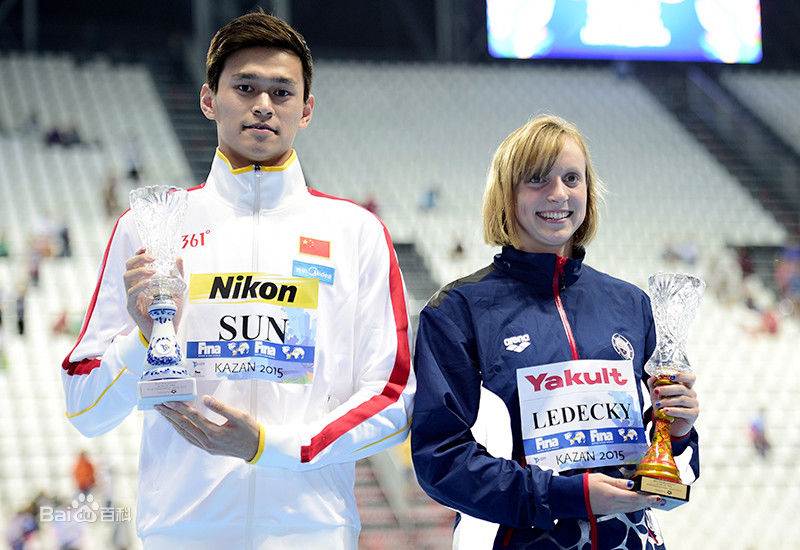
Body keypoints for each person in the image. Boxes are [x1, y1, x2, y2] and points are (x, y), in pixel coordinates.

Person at [61, 11, 414, 550]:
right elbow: (84, 406)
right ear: (209, 100)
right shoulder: (150, 229)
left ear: (307, 109)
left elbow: (393, 398)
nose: (263, 105)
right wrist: (141, 338)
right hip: (182, 534)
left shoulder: (357, 233)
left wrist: (273, 446)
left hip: (312, 534)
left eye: (282, 92)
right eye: (245, 87)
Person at [410, 115, 699, 549]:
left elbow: (667, 485)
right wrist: (570, 496)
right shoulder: (458, 311)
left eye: (571, 178)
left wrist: (676, 434)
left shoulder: (630, 304)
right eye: (537, 180)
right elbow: (441, 462)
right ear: (506, 195)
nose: (558, 194)